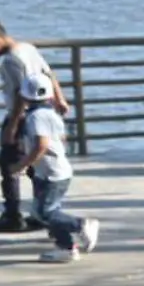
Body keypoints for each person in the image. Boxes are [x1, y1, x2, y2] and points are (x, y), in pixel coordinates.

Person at [0, 17, 68, 233]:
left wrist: (12, 126)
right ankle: (41, 210)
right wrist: (60, 99)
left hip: (22, 115)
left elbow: (19, 93)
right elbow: (49, 74)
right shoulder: (28, 48)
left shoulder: (11, 61)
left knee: (8, 163)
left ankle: (12, 214)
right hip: (43, 108)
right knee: (35, 164)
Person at [7, 76, 99, 263]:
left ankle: (81, 225)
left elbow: (41, 145)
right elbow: (60, 140)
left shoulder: (36, 117)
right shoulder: (51, 113)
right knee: (48, 211)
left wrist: (22, 164)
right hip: (52, 171)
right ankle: (66, 248)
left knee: (45, 213)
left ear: (24, 96)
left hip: (52, 174)